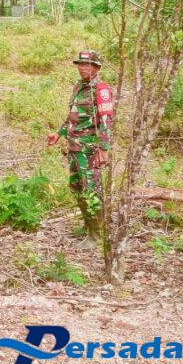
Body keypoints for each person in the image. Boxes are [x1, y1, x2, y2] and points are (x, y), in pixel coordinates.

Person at [47, 49, 114, 245]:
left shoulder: (101, 89)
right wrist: (59, 133)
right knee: (77, 188)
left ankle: (96, 235)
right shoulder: (79, 86)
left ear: (97, 67)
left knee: (92, 190)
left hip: (90, 150)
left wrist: (103, 149)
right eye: (81, 64)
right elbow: (73, 116)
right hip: (75, 148)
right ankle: (88, 226)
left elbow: (107, 121)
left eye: (88, 65)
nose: (83, 68)